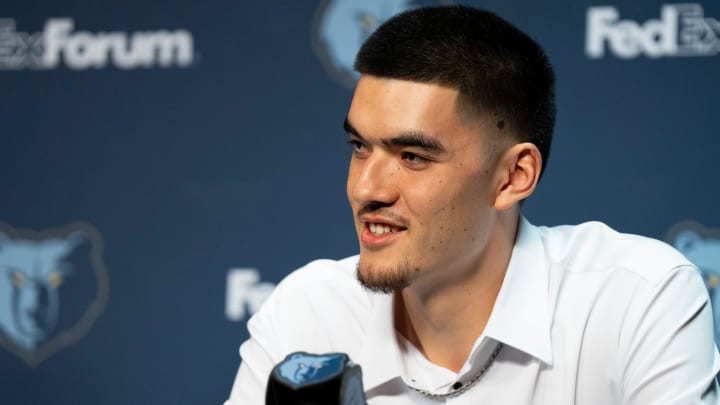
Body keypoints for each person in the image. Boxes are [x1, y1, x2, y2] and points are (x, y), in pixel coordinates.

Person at [225, 6, 719, 404]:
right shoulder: (306, 313)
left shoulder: (635, 298)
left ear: (513, 176)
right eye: (360, 147)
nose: (366, 188)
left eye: (412, 156)